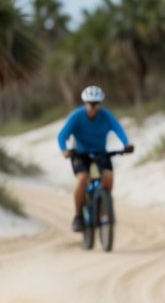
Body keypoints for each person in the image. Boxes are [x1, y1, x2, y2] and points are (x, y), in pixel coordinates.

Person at [57, 85, 135, 232]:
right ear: (85, 103)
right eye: (90, 103)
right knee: (82, 178)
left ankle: (103, 206)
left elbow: (118, 129)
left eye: (96, 104)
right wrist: (64, 150)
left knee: (108, 177)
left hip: (100, 152)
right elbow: (62, 136)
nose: (93, 107)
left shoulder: (106, 116)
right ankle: (78, 216)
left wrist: (126, 144)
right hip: (80, 153)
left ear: (100, 104)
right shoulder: (77, 116)